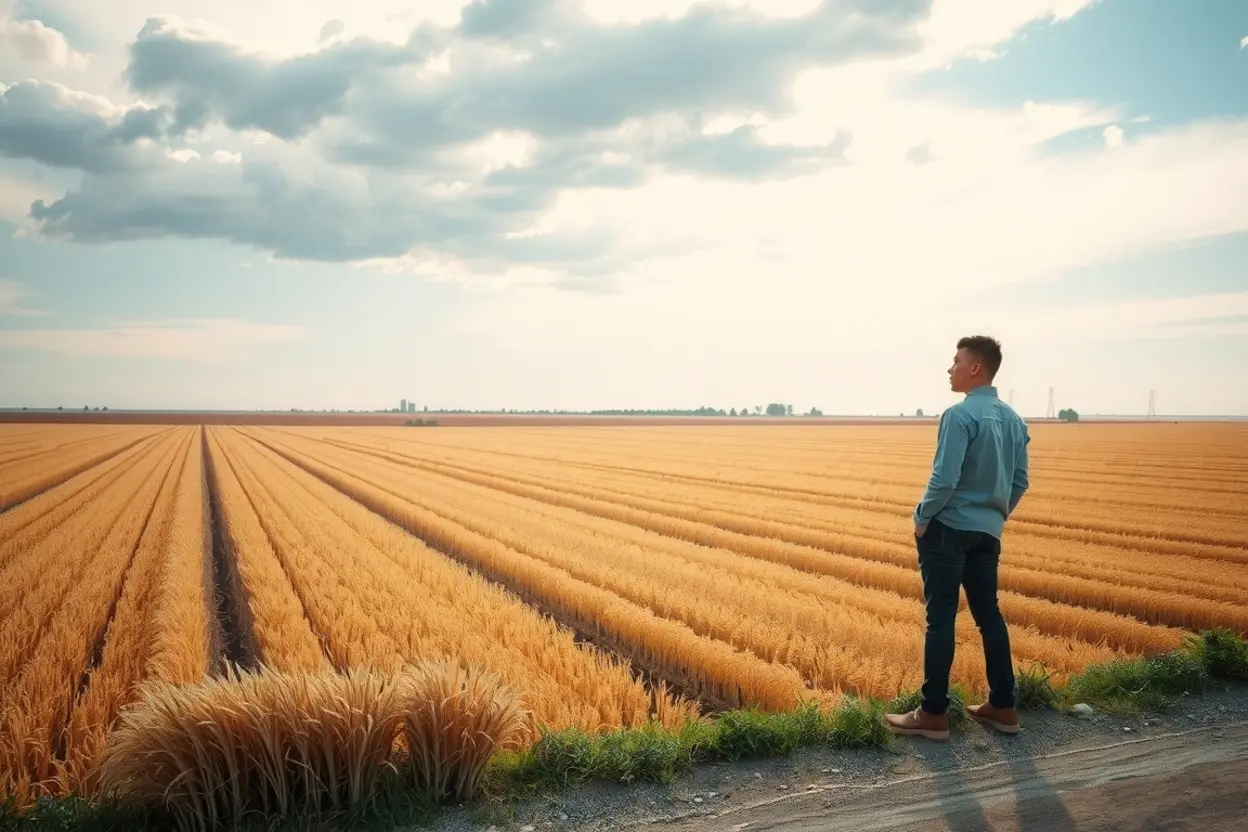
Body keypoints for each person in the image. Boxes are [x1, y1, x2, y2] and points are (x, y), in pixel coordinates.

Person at [884, 335, 1030, 741]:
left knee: (941, 618)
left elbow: (944, 478)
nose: (949, 368)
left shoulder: (959, 416)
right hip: (987, 534)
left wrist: (921, 517)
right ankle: (1004, 707)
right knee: (989, 617)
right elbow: (1019, 482)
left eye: (955, 361)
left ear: (975, 368)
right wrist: (995, 516)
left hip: (947, 530)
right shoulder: (1016, 422)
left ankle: (932, 714)